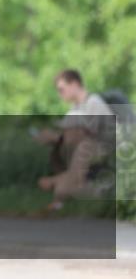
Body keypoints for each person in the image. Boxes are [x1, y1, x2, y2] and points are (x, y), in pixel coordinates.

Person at [35, 69, 115, 210]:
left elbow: (94, 133)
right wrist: (52, 138)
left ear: (74, 84)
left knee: (83, 146)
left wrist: (60, 136)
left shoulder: (94, 102)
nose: (60, 94)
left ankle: (61, 186)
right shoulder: (74, 110)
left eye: (62, 89)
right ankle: (66, 187)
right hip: (80, 154)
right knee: (60, 151)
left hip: (101, 149)